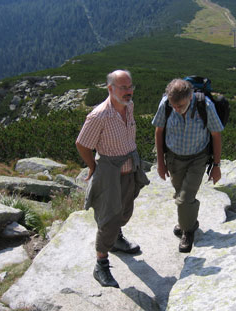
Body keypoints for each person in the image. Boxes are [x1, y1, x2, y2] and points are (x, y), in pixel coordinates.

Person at [76, 69, 149, 288]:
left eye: (130, 87)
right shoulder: (99, 116)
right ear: (110, 89)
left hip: (129, 169)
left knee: (125, 211)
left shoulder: (129, 106)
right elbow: (82, 144)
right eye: (123, 87)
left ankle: (116, 239)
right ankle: (101, 264)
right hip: (110, 173)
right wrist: (92, 166)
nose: (128, 92)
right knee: (108, 219)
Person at [152, 78, 224, 253]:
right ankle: (190, 222)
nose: (177, 109)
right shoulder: (166, 104)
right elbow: (159, 131)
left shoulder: (205, 106)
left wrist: (216, 165)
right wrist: (160, 162)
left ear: (190, 97)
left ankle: (188, 231)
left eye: (181, 105)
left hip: (197, 159)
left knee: (184, 199)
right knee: (180, 194)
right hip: (174, 158)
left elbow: (216, 135)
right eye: (174, 105)